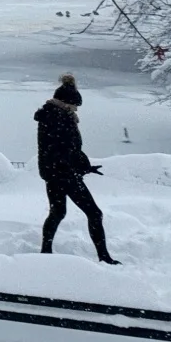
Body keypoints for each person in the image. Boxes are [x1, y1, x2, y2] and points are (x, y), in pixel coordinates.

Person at [36, 75, 118, 263]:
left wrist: (84, 166)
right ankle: (103, 256)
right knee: (94, 213)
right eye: (75, 106)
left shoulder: (50, 115)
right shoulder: (59, 118)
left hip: (54, 174)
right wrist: (82, 167)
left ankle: (45, 251)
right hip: (64, 175)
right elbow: (69, 150)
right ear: (66, 103)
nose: (76, 110)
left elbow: (65, 150)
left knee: (57, 212)